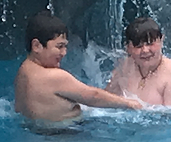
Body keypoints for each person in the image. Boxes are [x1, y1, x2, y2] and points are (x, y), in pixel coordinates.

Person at [14, 10, 142, 124]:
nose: (64, 52)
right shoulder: (53, 77)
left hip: (39, 133)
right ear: (36, 46)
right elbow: (93, 96)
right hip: (65, 135)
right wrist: (129, 103)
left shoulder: (23, 72)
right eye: (59, 46)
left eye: (65, 46)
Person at [106, 17, 171, 107]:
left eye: (150, 44)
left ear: (161, 40)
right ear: (128, 48)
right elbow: (105, 102)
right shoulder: (125, 67)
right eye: (139, 46)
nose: (145, 50)